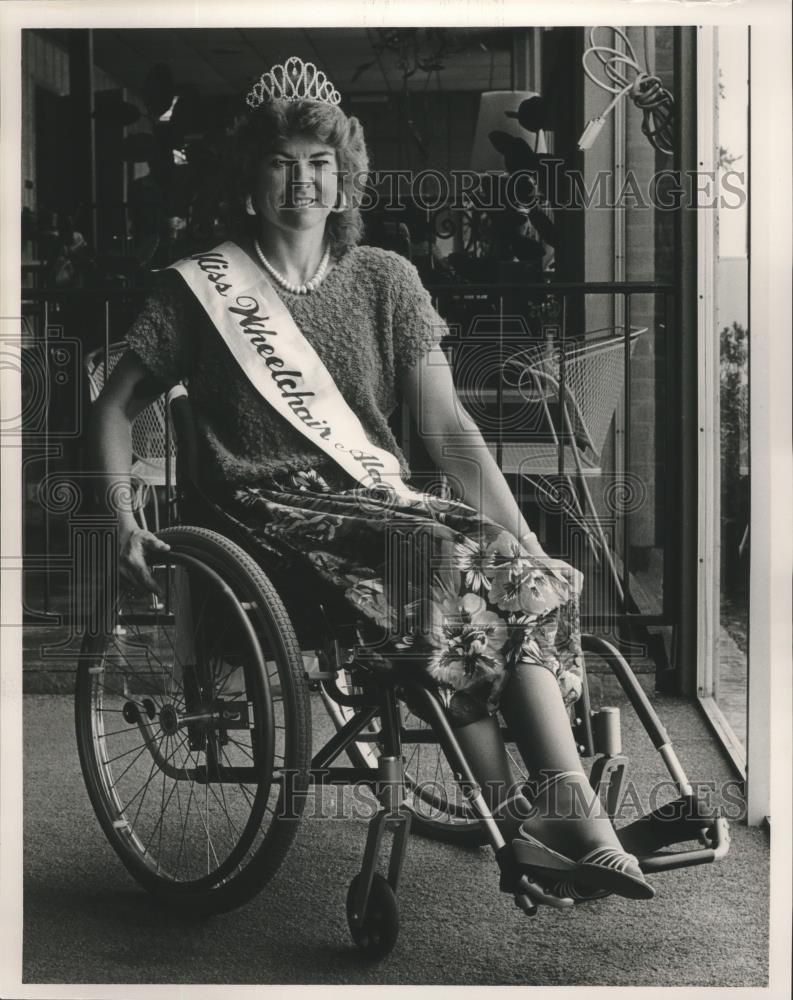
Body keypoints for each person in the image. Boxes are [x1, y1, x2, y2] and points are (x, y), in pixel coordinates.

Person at [88, 57, 654, 910]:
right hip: (266, 513)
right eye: (281, 161)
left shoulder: (386, 280)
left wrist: (525, 536)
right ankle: (535, 817)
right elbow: (115, 403)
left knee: (508, 567)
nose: (302, 179)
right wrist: (123, 517)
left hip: (380, 503)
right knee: (446, 558)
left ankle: (561, 812)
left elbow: (449, 436)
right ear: (249, 177)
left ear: (343, 178)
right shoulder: (201, 289)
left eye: (320, 164)